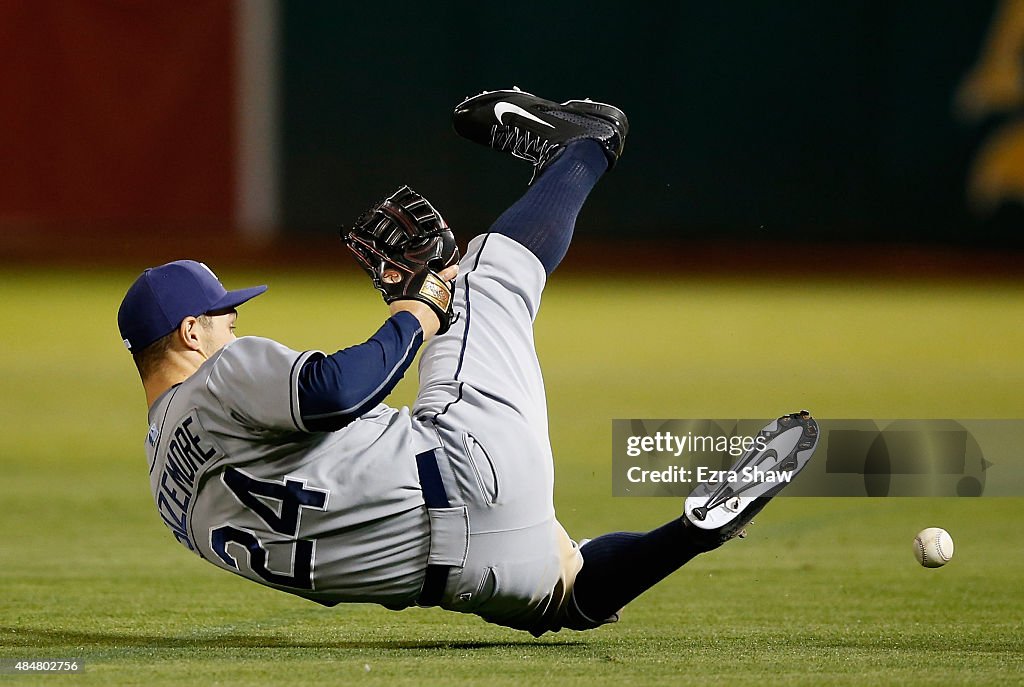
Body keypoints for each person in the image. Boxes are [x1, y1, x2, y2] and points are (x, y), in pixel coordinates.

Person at [118, 88, 819, 636]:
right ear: (188, 332)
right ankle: (591, 145)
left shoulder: (166, 492)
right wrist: (416, 307)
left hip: (459, 575)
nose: (234, 321)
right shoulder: (218, 375)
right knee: (482, 273)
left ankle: (693, 534)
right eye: (222, 314)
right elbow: (335, 392)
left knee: (568, 591)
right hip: (463, 461)